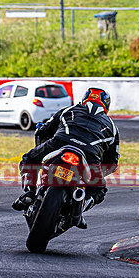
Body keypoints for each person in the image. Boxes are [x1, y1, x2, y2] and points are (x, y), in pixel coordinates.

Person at [12, 88, 119, 227]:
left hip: (61, 143)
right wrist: (97, 172)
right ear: (106, 105)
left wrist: (42, 150)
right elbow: (112, 162)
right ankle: (79, 210)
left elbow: (43, 130)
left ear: (84, 99)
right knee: (99, 189)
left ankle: (29, 193)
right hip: (90, 155)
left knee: (29, 159)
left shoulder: (69, 110)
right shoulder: (112, 126)